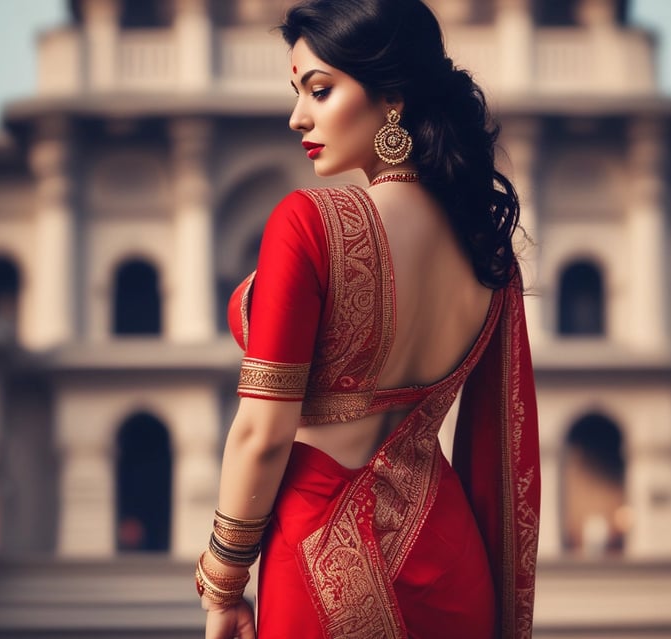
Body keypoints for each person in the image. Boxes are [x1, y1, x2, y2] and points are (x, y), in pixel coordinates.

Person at [195, 1, 540, 637]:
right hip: (450, 559)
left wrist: (222, 584)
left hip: (319, 555)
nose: (298, 115)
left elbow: (261, 434)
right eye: (298, 92)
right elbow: (500, 442)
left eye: (320, 90)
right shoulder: (487, 255)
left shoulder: (310, 223)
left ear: (392, 98)